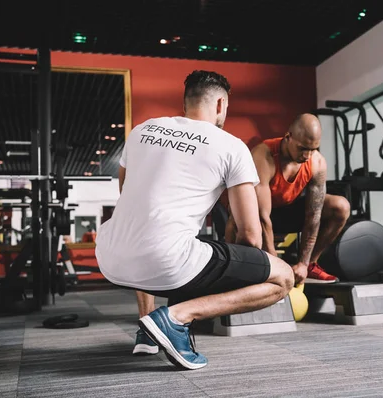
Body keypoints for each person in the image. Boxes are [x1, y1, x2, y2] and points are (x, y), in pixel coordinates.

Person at [95, 70, 294, 370]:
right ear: (220, 105)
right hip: (165, 261)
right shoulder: (231, 146)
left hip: (109, 257)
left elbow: (130, 200)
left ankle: (147, 333)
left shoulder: (142, 130)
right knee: (283, 277)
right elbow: (251, 235)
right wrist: (237, 271)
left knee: (164, 237)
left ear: (186, 102)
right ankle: (176, 318)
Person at [225, 113, 351, 285]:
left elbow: (314, 215)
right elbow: (261, 216)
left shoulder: (317, 163)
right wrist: (275, 264)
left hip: (288, 211)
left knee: (340, 206)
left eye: (313, 149)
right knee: (236, 219)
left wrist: (303, 263)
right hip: (258, 217)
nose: (307, 155)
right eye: (302, 148)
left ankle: (311, 265)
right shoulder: (264, 156)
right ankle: (232, 273)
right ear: (288, 137)